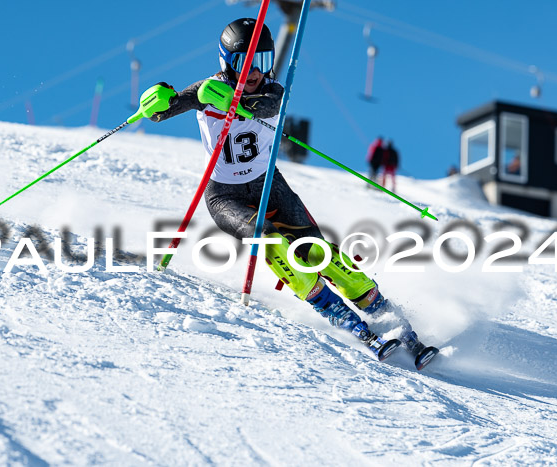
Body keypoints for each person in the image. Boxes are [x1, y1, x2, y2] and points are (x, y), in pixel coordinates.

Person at [142, 18, 437, 369]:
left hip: (270, 183)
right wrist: (160, 100)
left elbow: (267, 107)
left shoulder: (273, 91)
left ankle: (390, 320)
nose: (254, 72)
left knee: (317, 253)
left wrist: (236, 102)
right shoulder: (206, 89)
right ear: (226, 62)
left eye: (262, 63)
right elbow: (161, 113)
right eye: (245, 63)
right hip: (225, 196)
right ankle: (341, 315)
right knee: (269, 239)